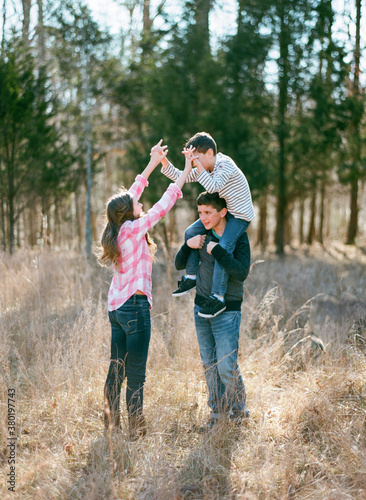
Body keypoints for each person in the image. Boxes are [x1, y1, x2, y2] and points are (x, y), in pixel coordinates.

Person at [98, 140, 192, 438]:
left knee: (117, 369)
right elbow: (165, 203)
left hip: (116, 308)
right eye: (137, 203)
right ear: (129, 212)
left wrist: (153, 162)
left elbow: (133, 193)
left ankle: (112, 426)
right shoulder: (134, 229)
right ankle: (136, 431)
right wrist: (186, 171)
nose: (141, 202)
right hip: (135, 309)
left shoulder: (117, 228)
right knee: (136, 374)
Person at [174, 191, 251, 428]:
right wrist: (187, 246)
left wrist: (217, 250)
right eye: (200, 213)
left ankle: (239, 414)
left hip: (227, 310)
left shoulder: (238, 237)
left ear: (223, 212)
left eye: (208, 212)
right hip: (201, 308)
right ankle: (217, 415)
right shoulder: (200, 233)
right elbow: (179, 264)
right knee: (209, 364)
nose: (203, 217)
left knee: (227, 365)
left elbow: (241, 272)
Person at [161, 132, 254, 319]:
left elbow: (213, 187)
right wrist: (164, 161)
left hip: (240, 216)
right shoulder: (207, 167)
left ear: (210, 153)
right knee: (191, 232)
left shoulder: (224, 165)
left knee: (223, 247)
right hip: (227, 211)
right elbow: (182, 176)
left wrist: (197, 166)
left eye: (198, 158)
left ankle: (218, 297)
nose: (196, 163)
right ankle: (191, 277)